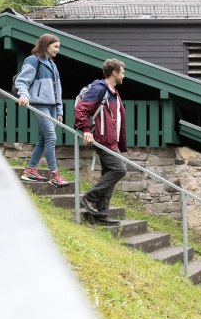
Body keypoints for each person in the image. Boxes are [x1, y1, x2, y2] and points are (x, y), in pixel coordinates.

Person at [75, 58, 127, 226]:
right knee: (119, 170)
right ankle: (89, 197)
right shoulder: (99, 89)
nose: (124, 76)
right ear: (114, 73)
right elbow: (81, 109)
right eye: (122, 72)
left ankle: (102, 215)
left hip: (112, 141)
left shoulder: (113, 93)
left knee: (109, 175)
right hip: (102, 140)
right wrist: (86, 130)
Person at [15, 33, 69, 187]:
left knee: (43, 139)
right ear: (46, 45)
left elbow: (58, 89)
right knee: (51, 137)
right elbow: (22, 81)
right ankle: (54, 174)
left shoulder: (53, 65)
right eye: (56, 47)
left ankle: (30, 170)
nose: (58, 50)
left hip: (52, 107)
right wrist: (24, 95)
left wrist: (59, 110)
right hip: (39, 105)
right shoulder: (32, 61)